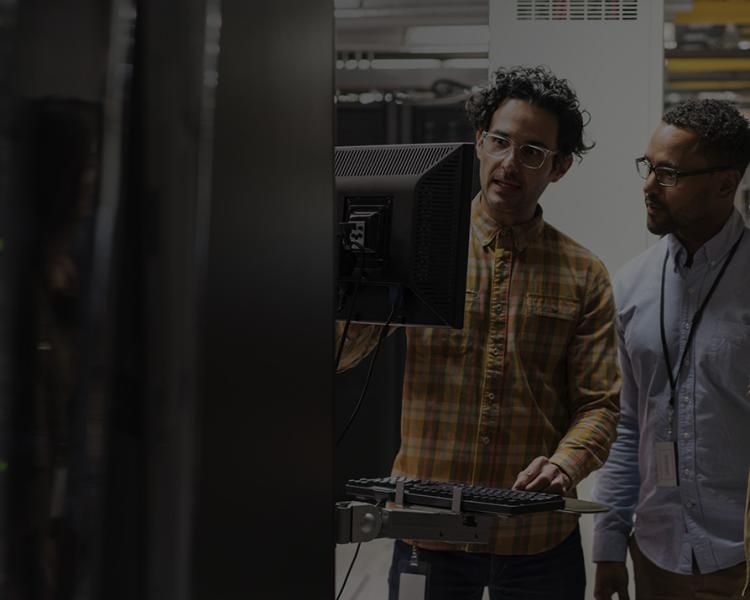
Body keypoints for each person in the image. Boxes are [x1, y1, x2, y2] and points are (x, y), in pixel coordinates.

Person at [338, 65, 621, 600]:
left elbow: (601, 404)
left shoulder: (584, 274)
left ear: (559, 167)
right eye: (501, 141)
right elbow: (342, 357)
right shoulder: (417, 250)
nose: (510, 163)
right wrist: (354, 280)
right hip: (427, 526)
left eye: (533, 151)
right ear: (478, 142)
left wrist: (565, 464)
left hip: (536, 535)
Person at [592, 98, 750, 600]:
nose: (648, 187)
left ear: (726, 183)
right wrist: (610, 545)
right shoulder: (632, 285)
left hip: (743, 556)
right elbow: (626, 425)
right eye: (648, 167)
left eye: (668, 174)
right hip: (657, 558)